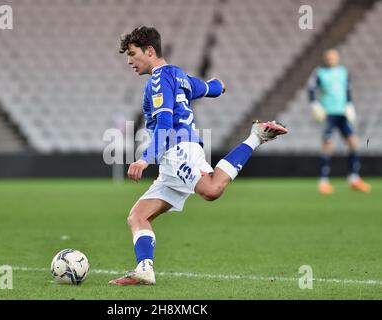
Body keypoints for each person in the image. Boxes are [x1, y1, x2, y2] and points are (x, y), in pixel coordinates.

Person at [109, 26, 287, 286]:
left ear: (149, 51)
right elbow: (207, 87)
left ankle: (256, 136)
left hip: (179, 149)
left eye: (133, 54)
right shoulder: (179, 76)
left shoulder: (158, 81)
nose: (129, 61)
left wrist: (145, 158)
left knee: (212, 189)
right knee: (137, 216)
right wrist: (219, 86)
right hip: (171, 163)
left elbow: (165, 123)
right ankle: (145, 270)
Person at [309, 48, 371, 194]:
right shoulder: (319, 72)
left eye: (333, 57)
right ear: (325, 58)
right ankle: (323, 181)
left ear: (337, 58)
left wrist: (350, 104)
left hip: (342, 112)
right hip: (329, 113)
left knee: (353, 142)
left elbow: (347, 90)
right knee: (328, 145)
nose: (331, 59)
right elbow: (311, 89)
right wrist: (314, 104)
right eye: (329, 57)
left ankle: (354, 178)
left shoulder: (343, 72)